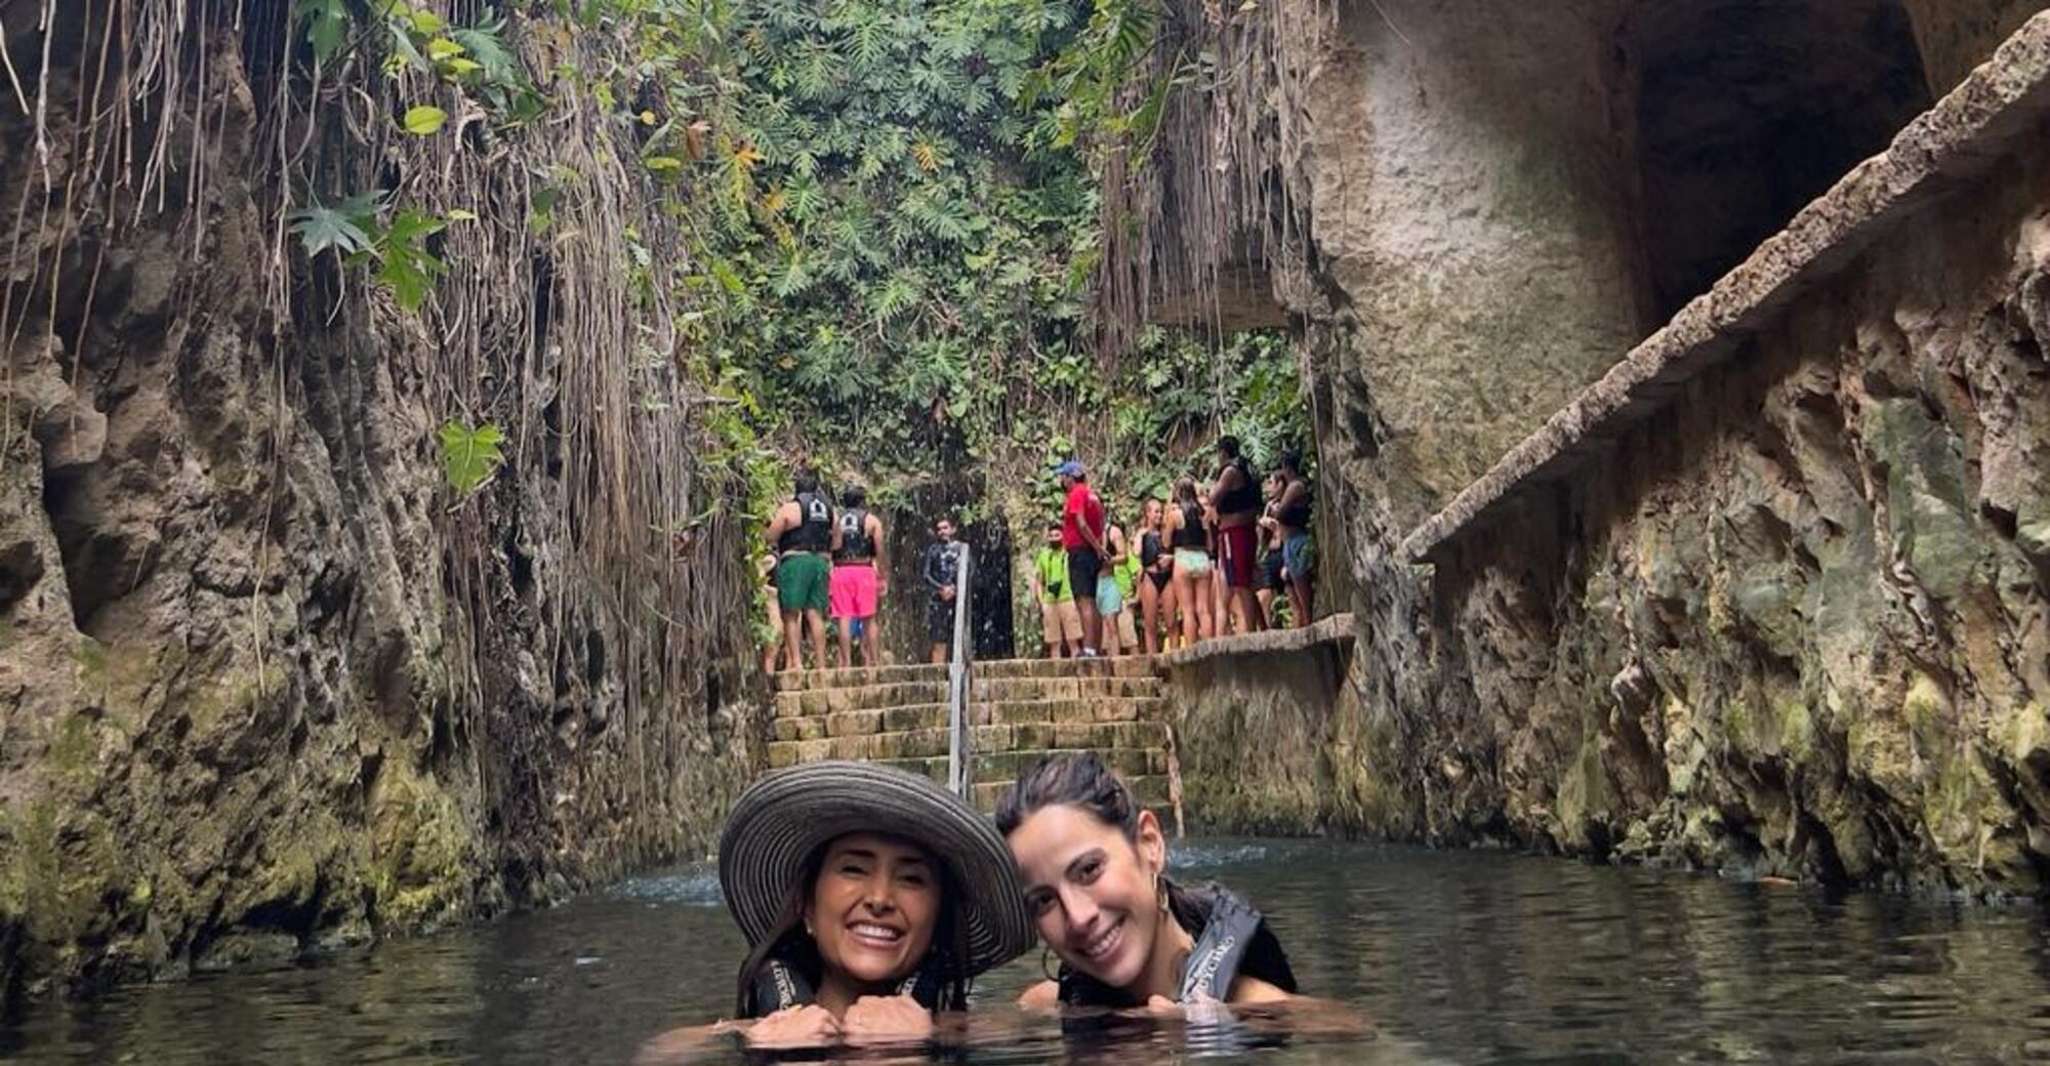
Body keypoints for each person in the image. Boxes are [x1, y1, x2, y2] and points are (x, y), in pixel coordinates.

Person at [638, 761, 1034, 1057]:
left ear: (940, 917)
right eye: (854, 869)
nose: (880, 898)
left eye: (912, 878)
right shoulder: (702, 1044)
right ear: (805, 905)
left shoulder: (990, 1031)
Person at [995, 752, 1298, 1010]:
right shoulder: (1044, 1007)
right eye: (1044, 900)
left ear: (1149, 843)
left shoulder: (1261, 1011)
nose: (1077, 917)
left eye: (1089, 870)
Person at [766, 470, 834, 671]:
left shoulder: (791, 509)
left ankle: (796, 663)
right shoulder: (829, 510)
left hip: (795, 561)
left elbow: (771, 536)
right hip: (820, 562)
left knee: (791, 613)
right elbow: (837, 540)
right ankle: (821, 664)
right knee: (815, 614)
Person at [1208, 437, 1266, 636]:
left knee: (1241, 583)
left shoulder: (1231, 471)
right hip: (1243, 528)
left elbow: (1213, 498)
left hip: (1234, 531)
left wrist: (1212, 486)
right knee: (1241, 581)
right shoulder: (1246, 468)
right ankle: (1261, 626)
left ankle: (1250, 630)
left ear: (1223, 452)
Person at [829, 485, 888, 669]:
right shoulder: (872, 521)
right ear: (863, 501)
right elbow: (879, 551)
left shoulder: (838, 520)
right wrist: (883, 576)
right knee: (869, 618)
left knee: (844, 617)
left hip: (842, 570)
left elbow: (835, 546)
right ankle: (874, 661)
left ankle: (845, 662)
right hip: (864, 569)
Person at [1055, 460, 1109, 656]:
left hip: (1080, 550)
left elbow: (1081, 522)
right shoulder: (1093, 496)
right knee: (1092, 601)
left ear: (1071, 477)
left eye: (1063, 476)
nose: (1061, 480)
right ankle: (1094, 647)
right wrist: (1100, 548)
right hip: (1091, 553)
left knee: (1084, 601)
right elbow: (1102, 524)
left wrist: (1096, 547)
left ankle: (1088, 648)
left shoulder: (1077, 493)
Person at [1162, 479, 1214, 646]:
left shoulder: (1175, 515)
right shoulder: (1203, 514)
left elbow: (1166, 542)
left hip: (1183, 557)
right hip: (1202, 558)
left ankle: (1192, 650)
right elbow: (1210, 544)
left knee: (1187, 610)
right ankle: (1208, 649)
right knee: (1204, 609)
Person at [1273, 452, 1316, 629]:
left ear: (1287, 468)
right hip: (1292, 539)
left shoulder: (1295, 485)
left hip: (1297, 539)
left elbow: (1282, 511)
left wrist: (1276, 509)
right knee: (1295, 585)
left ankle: (1308, 620)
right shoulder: (1298, 484)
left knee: (1301, 584)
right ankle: (1304, 621)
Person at [1028, 522, 1082, 658]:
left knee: (1073, 640)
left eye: (1057, 535)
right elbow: (1039, 581)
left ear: (1063, 536)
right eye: (1051, 535)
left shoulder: (1069, 554)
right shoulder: (1044, 556)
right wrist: (1042, 602)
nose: (1054, 538)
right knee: (1053, 642)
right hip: (1050, 600)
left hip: (1068, 598)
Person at [922, 516, 965, 664]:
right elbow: (926, 575)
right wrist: (941, 589)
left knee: (960, 635)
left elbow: (968, 571)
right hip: (938, 600)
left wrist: (955, 588)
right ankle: (938, 674)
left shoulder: (961, 549)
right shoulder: (933, 550)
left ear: (953, 529)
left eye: (945, 528)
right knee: (938, 638)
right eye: (939, 529)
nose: (942, 531)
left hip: (958, 599)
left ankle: (961, 670)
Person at [1136, 498, 1174, 656]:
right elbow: (1137, 552)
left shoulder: (1167, 531)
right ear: (1148, 513)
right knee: (1150, 623)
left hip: (1167, 575)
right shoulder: (1142, 533)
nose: (1159, 515)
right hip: (1150, 575)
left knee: (1171, 621)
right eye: (1156, 511)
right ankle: (1152, 658)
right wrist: (1140, 534)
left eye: (1161, 511)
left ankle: (1174, 654)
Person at [1096, 517, 1133, 657]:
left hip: (1108, 581)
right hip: (1091, 583)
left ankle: (1115, 661)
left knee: (1112, 624)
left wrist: (1107, 561)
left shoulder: (1113, 531)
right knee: (1095, 628)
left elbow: (1124, 556)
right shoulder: (1083, 530)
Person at [1255, 472, 1287, 628]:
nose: (1268, 487)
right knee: (1264, 595)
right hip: (1269, 552)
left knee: (1289, 593)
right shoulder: (1269, 505)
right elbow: (1262, 535)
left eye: (1271, 483)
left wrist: (1275, 525)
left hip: (1284, 550)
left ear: (1280, 484)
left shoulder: (1287, 503)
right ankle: (1266, 629)